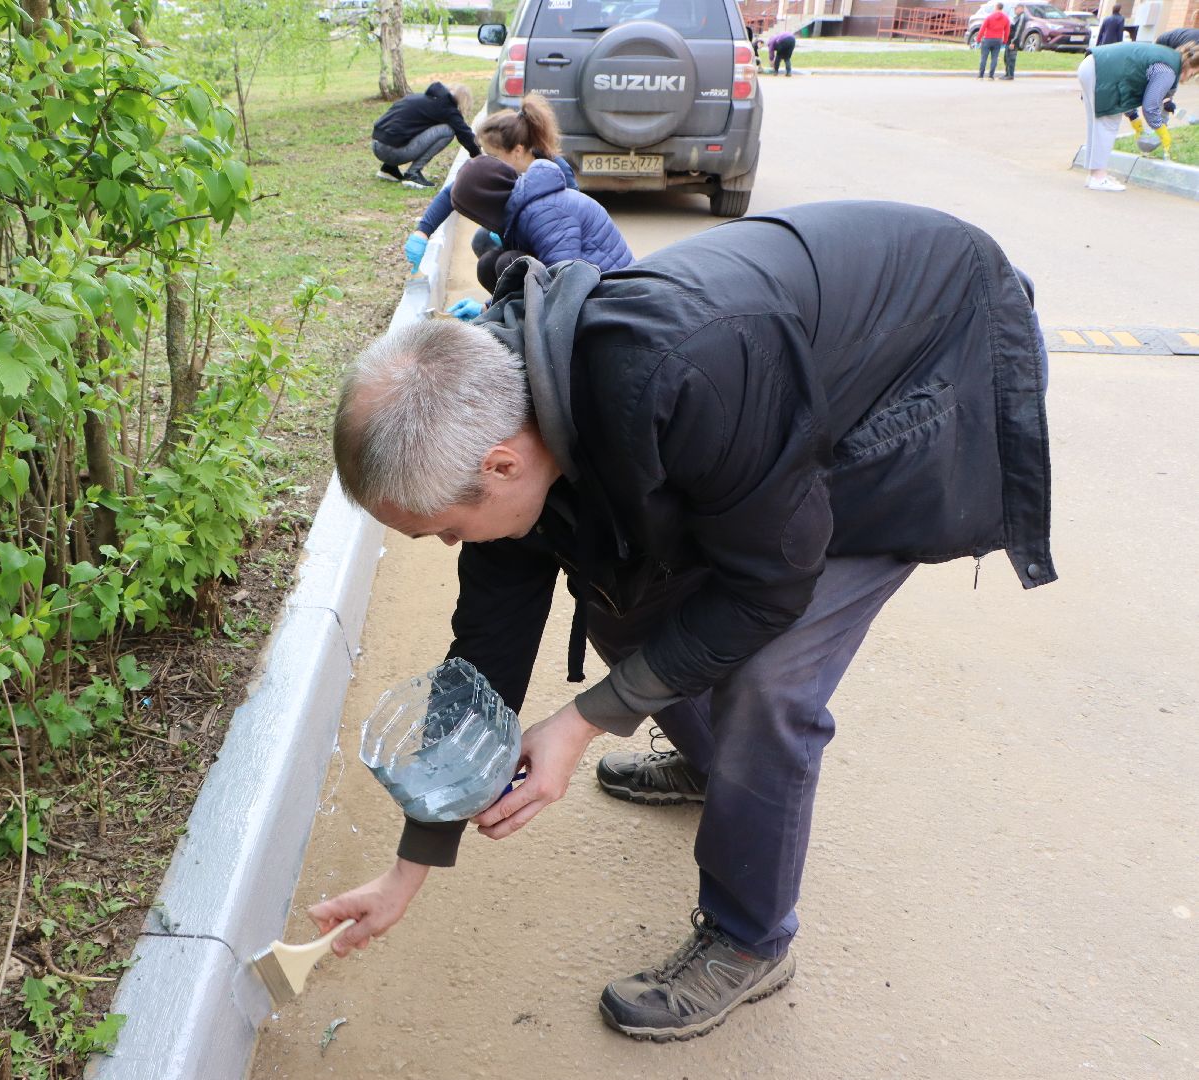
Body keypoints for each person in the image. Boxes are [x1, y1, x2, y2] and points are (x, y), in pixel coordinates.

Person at [315, 200, 1055, 1044]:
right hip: (777, 406)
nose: (451, 545)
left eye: (445, 529)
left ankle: (749, 939)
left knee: (770, 682)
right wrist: (410, 865)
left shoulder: (679, 374)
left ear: (503, 465)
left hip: (929, 370)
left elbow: (771, 586)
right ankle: (720, 770)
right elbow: (485, 650)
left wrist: (582, 721)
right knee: (626, 615)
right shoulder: (503, 401)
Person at [403, 93, 578, 272]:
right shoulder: (502, 168)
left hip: (556, 246)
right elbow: (453, 191)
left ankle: (529, 287)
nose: (486, 161)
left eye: (493, 155)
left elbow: (570, 228)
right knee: (483, 242)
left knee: (506, 261)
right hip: (522, 234)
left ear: (517, 151)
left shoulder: (558, 171)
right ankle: (507, 286)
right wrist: (422, 232)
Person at [450, 156, 632, 282]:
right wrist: (487, 308)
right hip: (587, 279)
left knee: (510, 263)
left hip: (611, 290)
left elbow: (563, 277)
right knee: (489, 264)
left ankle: (526, 323)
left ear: (486, 204)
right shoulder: (520, 207)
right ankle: (512, 317)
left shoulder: (544, 212)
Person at [1078, 39, 1199, 190]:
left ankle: (1094, 175)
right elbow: (1151, 105)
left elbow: (1130, 84)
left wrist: (1134, 117)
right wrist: (1160, 129)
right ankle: (1098, 177)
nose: (1192, 77)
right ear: (1192, 67)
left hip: (1094, 65)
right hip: (1101, 71)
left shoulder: (1168, 57)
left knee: (1097, 124)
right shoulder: (1168, 71)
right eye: (1195, 73)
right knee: (1107, 125)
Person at [371, 82, 478, 190]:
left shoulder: (419, 98)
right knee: (448, 130)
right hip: (391, 151)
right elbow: (465, 134)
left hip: (376, 144)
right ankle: (413, 174)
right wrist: (478, 156)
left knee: (414, 125)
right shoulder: (447, 108)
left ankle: (389, 169)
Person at [978, 4, 1011, 79]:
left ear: (996, 7)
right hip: (998, 40)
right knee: (994, 58)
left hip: (987, 39)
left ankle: (981, 75)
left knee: (984, 57)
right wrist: (1005, 40)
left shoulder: (989, 17)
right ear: (1002, 8)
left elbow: (982, 28)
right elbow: (1007, 31)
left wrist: (978, 39)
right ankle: (991, 76)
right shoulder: (1006, 18)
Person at [1001, 3, 1032, 79]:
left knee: (1011, 58)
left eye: (1016, 9)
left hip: (1013, 41)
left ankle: (1010, 75)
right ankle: (1007, 73)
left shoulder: (1022, 17)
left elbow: (1018, 30)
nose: (1015, 11)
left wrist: (1013, 42)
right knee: (1006, 58)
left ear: (1021, 9)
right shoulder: (1017, 17)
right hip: (1009, 39)